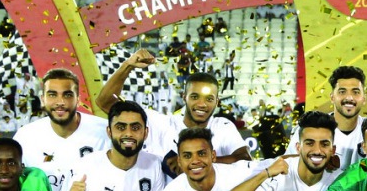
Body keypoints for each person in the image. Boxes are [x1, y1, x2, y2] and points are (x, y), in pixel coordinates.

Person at [95, 49, 251, 171]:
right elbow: (105, 102)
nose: (202, 104)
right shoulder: (160, 123)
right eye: (195, 97)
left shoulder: (222, 126)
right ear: (184, 97)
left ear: (217, 102)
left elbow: (245, 159)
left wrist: (193, 162)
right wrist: (128, 65)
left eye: (209, 99)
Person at [289, 65, 367, 171]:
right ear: (332, 97)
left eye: (355, 92)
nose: (349, 97)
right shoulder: (310, 128)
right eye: (342, 92)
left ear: (364, 99)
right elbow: (289, 165)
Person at [12, 68, 111, 191]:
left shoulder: (104, 131)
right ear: (42, 99)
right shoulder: (25, 137)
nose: (60, 102)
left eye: (67, 95)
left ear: (78, 100)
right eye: (52, 95)